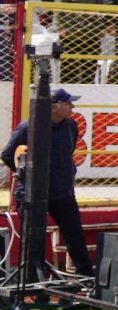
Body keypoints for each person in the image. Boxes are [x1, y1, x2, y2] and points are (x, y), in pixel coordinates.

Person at [4, 90, 93, 281]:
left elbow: (68, 152)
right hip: (32, 194)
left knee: (75, 235)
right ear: (54, 106)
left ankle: (86, 279)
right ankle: (31, 282)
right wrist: (27, 176)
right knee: (33, 239)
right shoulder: (27, 127)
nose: (73, 107)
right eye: (68, 104)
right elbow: (7, 154)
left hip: (62, 192)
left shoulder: (70, 125)